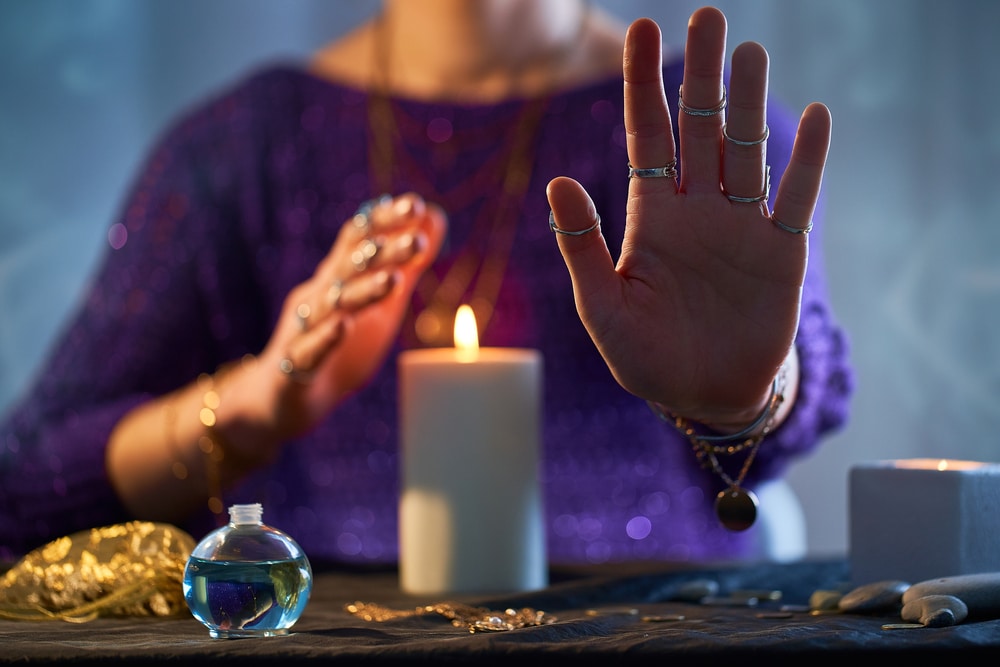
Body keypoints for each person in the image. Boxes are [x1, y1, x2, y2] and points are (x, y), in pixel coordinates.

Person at [0, 1, 852, 565]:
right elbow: (26, 482)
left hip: (654, 624)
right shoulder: (246, 146)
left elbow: (780, 411)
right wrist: (253, 406)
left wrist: (746, 394)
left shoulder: (686, 133)